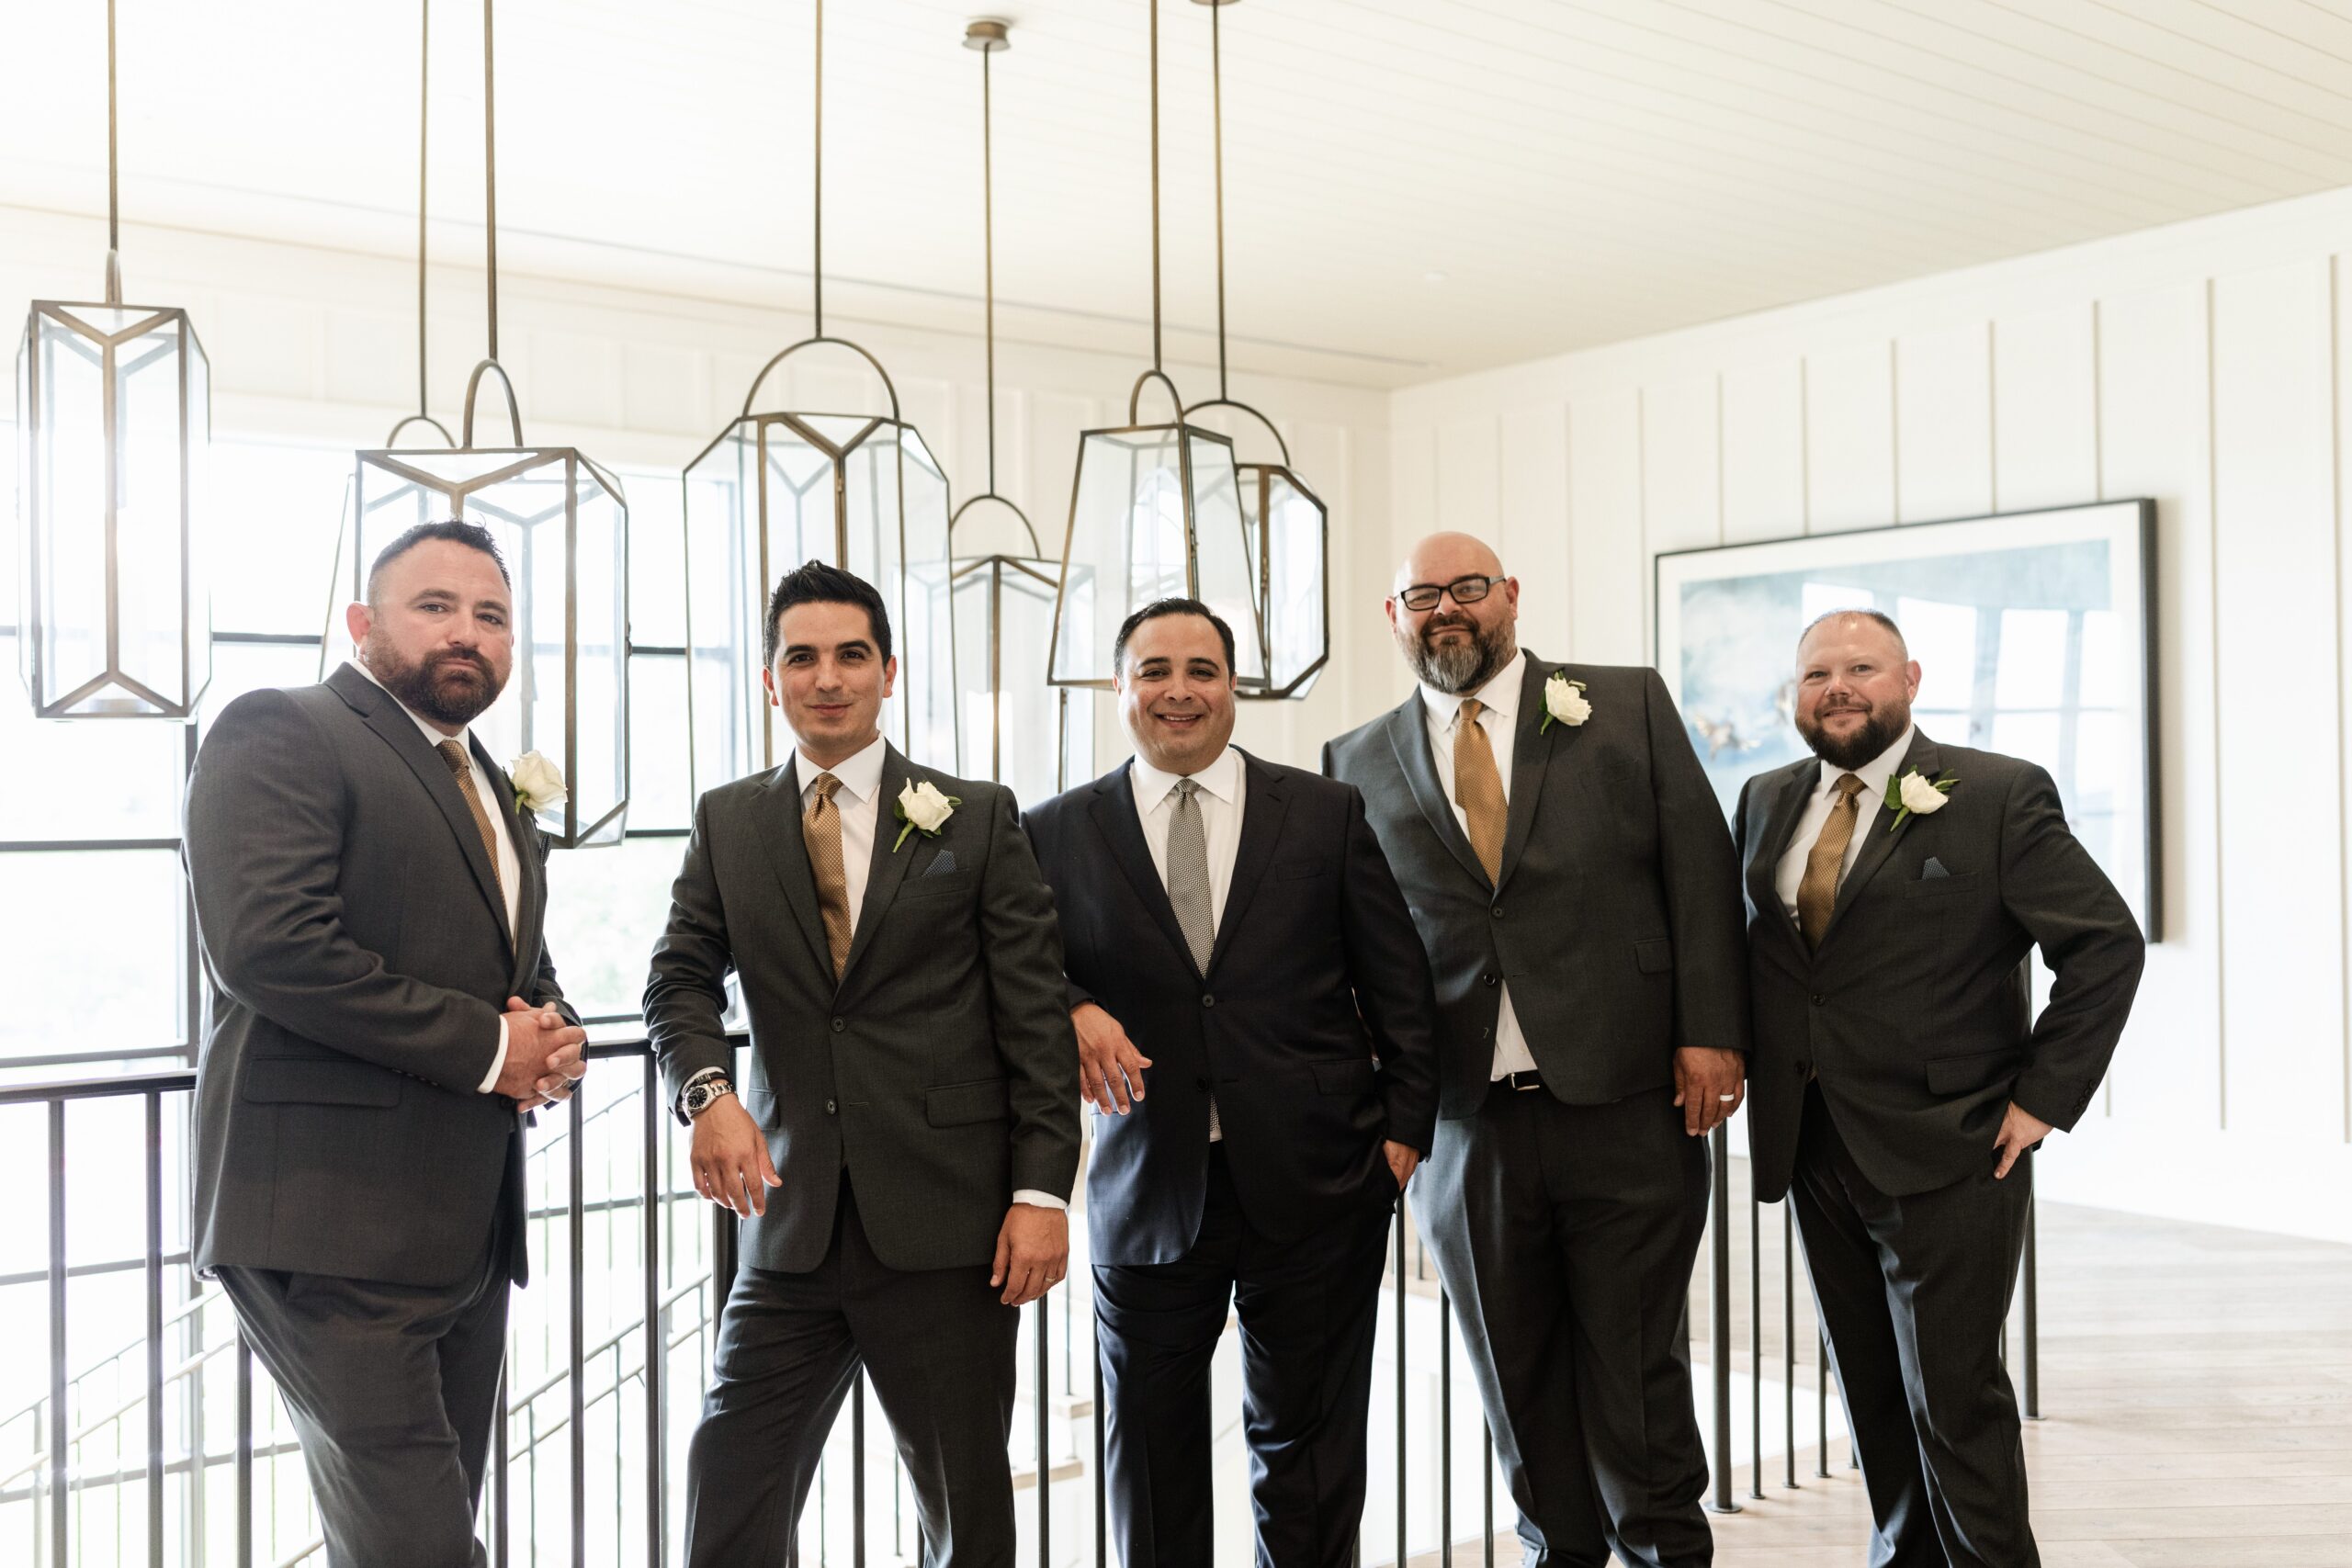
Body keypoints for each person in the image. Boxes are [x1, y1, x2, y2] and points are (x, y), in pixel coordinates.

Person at [645, 559, 1080, 1568]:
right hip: (790, 1225)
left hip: (950, 1227)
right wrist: (708, 1094)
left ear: (890, 672)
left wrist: (1041, 1191)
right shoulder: (728, 820)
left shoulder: (973, 817)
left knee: (964, 1511)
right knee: (730, 1485)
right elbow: (677, 978)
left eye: (850, 655)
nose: (826, 677)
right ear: (771, 681)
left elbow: (1034, 1017)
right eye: (801, 657)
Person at [1324, 532, 1747, 1568]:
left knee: (1637, 1373)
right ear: (1393, 618)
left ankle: (1662, 1552)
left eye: (1467, 587)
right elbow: (1351, 951)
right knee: (1512, 1376)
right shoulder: (1353, 760)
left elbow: (1701, 871)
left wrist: (1713, 1034)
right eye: (1421, 594)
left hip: (1626, 1099)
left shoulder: (1624, 704)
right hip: (1465, 1129)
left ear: (1510, 597)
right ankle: (1556, 1550)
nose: (1446, 608)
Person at [184, 519, 588, 1568]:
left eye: (491, 616)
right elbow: (269, 950)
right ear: (363, 624)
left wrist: (549, 1030)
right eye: (436, 606)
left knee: (421, 1531)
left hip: (463, 1233)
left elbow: (500, 959)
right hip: (329, 1224)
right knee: (418, 1543)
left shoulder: (485, 777)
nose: (468, 632)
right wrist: (491, 1051)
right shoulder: (282, 728)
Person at [1022, 597, 1439, 1568]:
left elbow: (1399, 983)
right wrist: (1073, 1005)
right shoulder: (1051, 831)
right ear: (1118, 688)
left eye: (1200, 670)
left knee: (1309, 1451)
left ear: (1232, 685)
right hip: (1144, 1184)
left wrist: (1400, 1140)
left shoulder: (1324, 812)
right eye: (1155, 670)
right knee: (1151, 1459)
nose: (1179, 691)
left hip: (1324, 1183)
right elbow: (1013, 974)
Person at [1734, 609, 2143, 1568]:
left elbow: (2102, 945)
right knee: (1870, 1391)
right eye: (1815, 673)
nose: (1836, 687)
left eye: (1860, 668)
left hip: (1954, 1143)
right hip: (1813, 1140)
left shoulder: (1995, 794)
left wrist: (2042, 1098)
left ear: (1909, 678)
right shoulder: (1763, 798)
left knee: (1954, 1398)